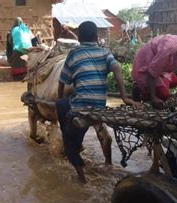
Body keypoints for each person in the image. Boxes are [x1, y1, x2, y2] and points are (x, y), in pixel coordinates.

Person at [56, 21, 141, 184]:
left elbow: (62, 80)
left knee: (63, 116)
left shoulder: (74, 53)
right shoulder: (105, 52)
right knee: (75, 117)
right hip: (100, 106)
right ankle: (106, 162)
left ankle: (82, 179)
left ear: (79, 38)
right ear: (96, 37)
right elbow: (117, 68)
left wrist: (60, 98)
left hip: (81, 107)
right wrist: (124, 97)